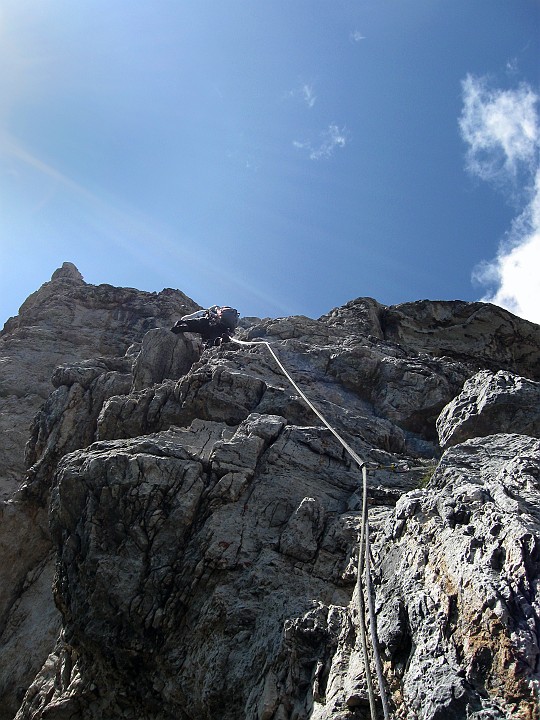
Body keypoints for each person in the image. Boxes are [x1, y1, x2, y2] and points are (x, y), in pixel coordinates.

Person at [171, 305, 239, 348]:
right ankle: (219, 341)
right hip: (221, 329)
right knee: (213, 338)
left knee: (196, 324)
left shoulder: (210, 312)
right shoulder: (229, 318)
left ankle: (182, 326)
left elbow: (194, 318)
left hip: (209, 323)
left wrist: (183, 321)